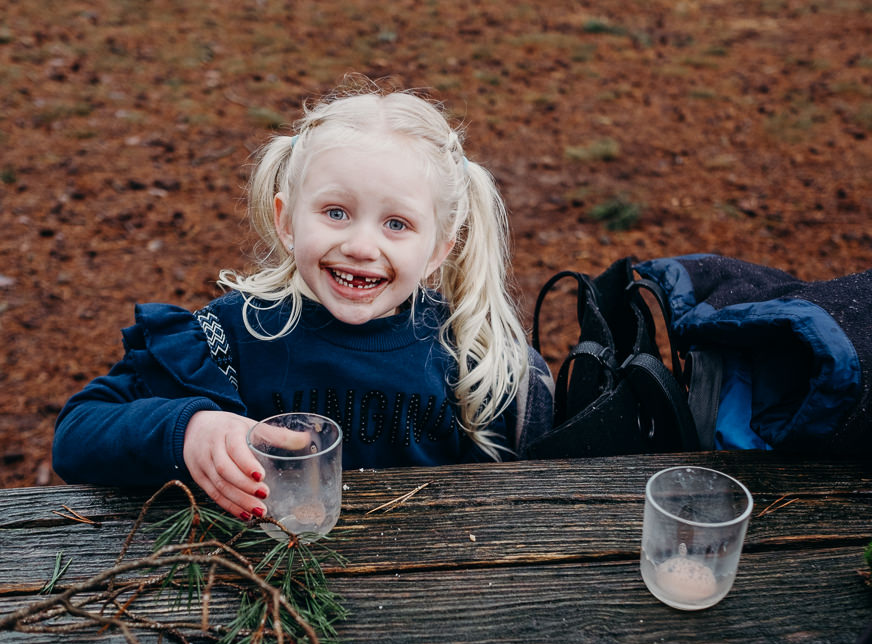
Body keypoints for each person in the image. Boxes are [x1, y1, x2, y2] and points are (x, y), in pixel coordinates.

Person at [52, 79, 554, 520]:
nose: (360, 246)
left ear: (438, 250)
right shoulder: (230, 339)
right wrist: (189, 431)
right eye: (335, 212)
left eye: (396, 224)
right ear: (288, 222)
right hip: (256, 590)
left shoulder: (471, 361)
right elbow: (77, 434)